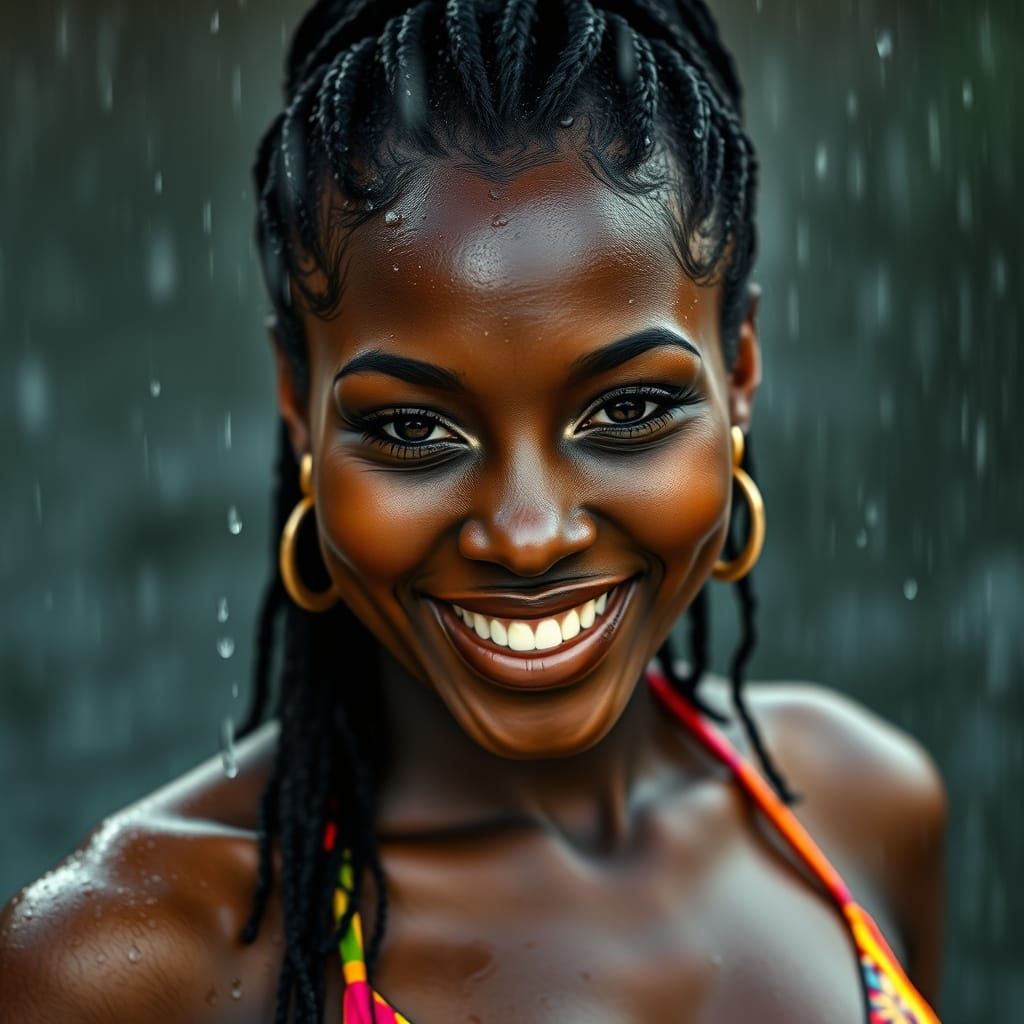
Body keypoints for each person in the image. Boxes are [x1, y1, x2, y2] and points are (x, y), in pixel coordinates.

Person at [0, 1, 947, 1021]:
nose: (528, 534)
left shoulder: (863, 802)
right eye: (414, 430)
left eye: (626, 409)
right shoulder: (124, 961)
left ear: (740, 370)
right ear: (296, 404)